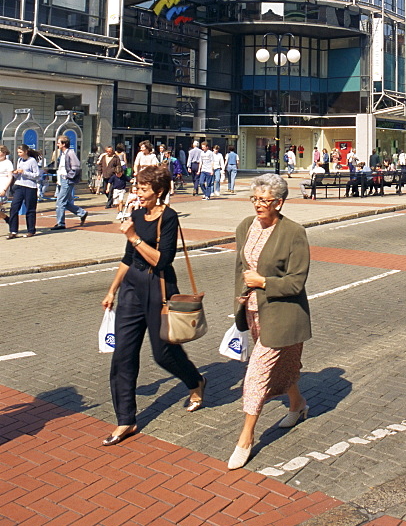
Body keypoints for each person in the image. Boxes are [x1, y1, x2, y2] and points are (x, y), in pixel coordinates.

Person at [100, 165, 206, 446]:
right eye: (137, 187)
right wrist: (112, 290)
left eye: (143, 189)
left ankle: (195, 381)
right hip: (132, 289)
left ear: (158, 192)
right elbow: (127, 258)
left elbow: (162, 260)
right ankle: (126, 420)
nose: (138, 192)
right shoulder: (136, 214)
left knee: (163, 354)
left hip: (158, 288)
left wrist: (133, 236)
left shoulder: (169, 218)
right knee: (123, 355)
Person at [228, 174, 311, 469]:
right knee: (285, 367)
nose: (258, 205)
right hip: (253, 312)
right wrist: (241, 296)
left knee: (257, 375)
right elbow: (241, 268)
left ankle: (246, 438)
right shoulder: (244, 228)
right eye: (255, 199)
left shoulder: (293, 232)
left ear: (279, 202)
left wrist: (263, 281)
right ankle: (298, 404)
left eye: (265, 200)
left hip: (284, 315)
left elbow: (296, 282)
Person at [52, 136, 87, 231]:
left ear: (64, 144)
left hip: (66, 180)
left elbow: (76, 167)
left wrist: (68, 176)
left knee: (60, 202)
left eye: (59, 143)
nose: (57, 144)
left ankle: (61, 223)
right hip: (61, 179)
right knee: (64, 202)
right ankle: (82, 213)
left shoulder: (70, 153)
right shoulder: (62, 154)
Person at [6, 145, 40, 238]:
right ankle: (13, 231)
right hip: (19, 186)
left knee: (30, 209)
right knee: (14, 207)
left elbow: (37, 175)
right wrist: (15, 173)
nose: (19, 154)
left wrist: (24, 172)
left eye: (20, 152)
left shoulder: (32, 161)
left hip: (30, 187)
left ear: (26, 152)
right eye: (18, 153)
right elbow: (18, 175)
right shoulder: (19, 160)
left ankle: (31, 230)